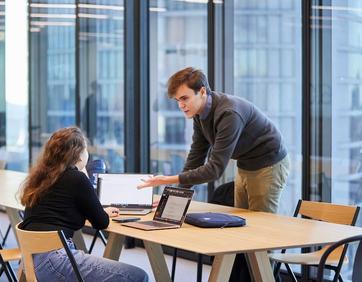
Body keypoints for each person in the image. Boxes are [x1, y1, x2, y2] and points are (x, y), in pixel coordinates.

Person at [138, 67, 290, 214]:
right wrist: (175, 196)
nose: (181, 105)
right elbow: (196, 157)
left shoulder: (229, 114)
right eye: (178, 100)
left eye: (184, 98)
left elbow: (214, 169)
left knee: (261, 226)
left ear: (202, 91)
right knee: (242, 219)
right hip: (246, 163)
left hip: (269, 163)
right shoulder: (199, 113)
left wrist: (167, 180)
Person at [18, 126, 148, 282]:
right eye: (85, 150)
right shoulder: (77, 179)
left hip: (28, 260)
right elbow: (101, 222)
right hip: (54, 261)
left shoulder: (40, 178)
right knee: (138, 276)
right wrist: (84, 176)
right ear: (78, 154)